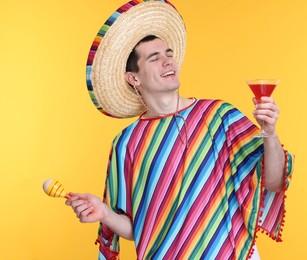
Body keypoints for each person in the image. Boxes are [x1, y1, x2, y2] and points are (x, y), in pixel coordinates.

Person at [66, 1, 294, 259]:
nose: (168, 61)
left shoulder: (219, 117)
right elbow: (139, 227)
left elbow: (274, 182)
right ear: (134, 78)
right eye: (155, 58)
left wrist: (270, 133)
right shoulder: (126, 143)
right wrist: (105, 214)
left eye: (169, 53)